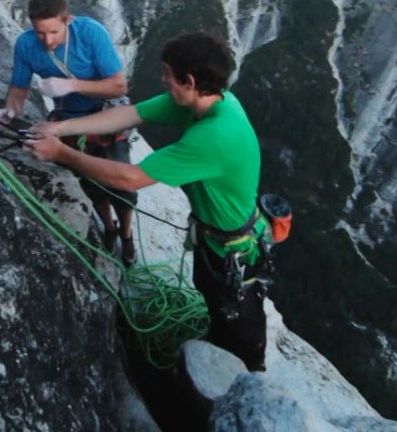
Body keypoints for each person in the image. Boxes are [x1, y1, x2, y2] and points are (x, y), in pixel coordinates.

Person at [25, 32, 270, 371]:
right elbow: (130, 115)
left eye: (168, 75)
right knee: (213, 300)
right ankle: (218, 346)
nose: (163, 81)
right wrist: (61, 128)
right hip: (216, 240)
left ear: (190, 81)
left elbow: (131, 178)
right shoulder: (212, 101)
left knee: (238, 325)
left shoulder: (213, 135)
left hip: (231, 253)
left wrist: (61, 154)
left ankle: (245, 378)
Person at [0, 0, 138, 265]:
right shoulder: (25, 45)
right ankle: (109, 228)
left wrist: (71, 84)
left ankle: (127, 234)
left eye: (54, 32)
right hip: (68, 120)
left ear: (68, 21)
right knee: (89, 180)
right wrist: (10, 110)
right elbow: (18, 87)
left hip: (105, 115)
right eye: (40, 33)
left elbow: (119, 85)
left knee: (122, 183)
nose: (48, 41)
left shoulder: (90, 33)